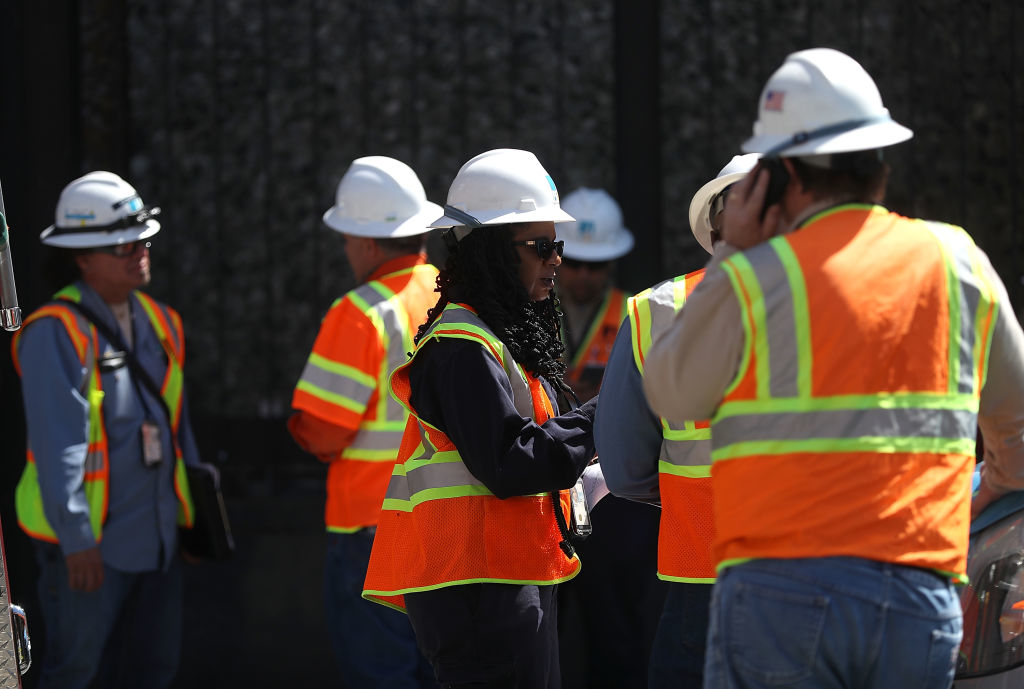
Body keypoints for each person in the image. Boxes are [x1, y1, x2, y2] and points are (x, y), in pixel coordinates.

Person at [642, 47, 1024, 689]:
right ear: (880, 160)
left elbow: (671, 390)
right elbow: (1017, 425)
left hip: (781, 593)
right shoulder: (956, 260)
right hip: (918, 590)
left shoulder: (757, 275)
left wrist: (732, 251)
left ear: (782, 174)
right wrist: (991, 485)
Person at [362, 148, 599, 689]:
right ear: (492, 251)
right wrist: (602, 416)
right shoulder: (461, 346)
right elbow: (510, 462)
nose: (555, 261)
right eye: (541, 247)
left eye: (557, 246)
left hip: (505, 576)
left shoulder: (499, 338)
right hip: (478, 590)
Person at [12, 171, 202, 689]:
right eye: (122, 245)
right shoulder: (55, 332)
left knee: (151, 672)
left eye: (142, 240)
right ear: (82, 258)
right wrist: (77, 541)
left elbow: (179, 429)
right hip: (93, 553)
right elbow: (59, 446)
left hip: (158, 543)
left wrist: (192, 520)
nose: (139, 252)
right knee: (76, 674)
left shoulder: (163, 322)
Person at [594, 154, 758, 689]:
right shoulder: (843, 303)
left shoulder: (656, 310)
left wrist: (679, 494)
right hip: (819, 572)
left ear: (714, 226)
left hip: (702, 570)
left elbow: (623, 469)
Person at [288, 156, 441, 688]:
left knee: (382, 672)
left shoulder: (360, 312)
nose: (347, 250)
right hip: (452, 522)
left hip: (374, 528)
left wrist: (302, 430)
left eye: (348, 238)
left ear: (369, 244)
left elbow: (325, 430)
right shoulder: (459, 297)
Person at [552, 186, 663, 689]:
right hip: (549, 484)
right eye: (574, 263)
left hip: (614, 494)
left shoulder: (634, 315)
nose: (582, 275)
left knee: (617, 629)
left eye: (594, 266)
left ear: (612, 264)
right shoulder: (532, 313)